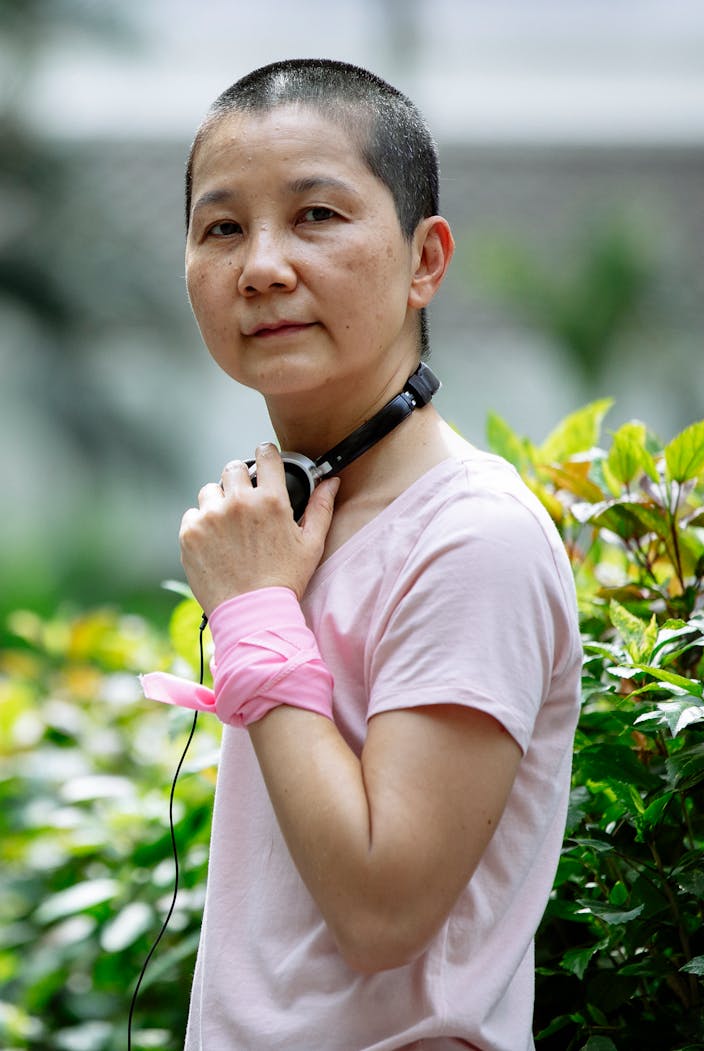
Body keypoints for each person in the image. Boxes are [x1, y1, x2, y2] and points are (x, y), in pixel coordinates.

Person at [143, 58, 582, 1051]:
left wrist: (253, 616)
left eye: (316, 217)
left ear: (426, 259)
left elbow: (383, 912)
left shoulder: (474, 537)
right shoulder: (290, 528)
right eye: (222, 228)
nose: (261, 266)